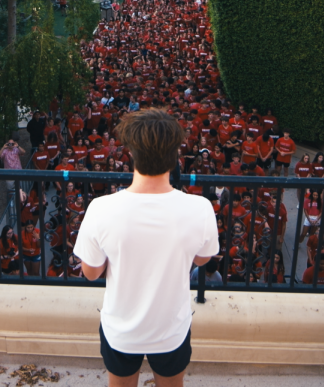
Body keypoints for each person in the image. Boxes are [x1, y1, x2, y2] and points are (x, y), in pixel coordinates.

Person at [75, 108, 219, 387]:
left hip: (120, 330)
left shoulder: (101, 209)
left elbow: (91, 273)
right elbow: (202, 260)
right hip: (171, 330)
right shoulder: (200, 208)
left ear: (130, 153)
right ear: (175, 156)